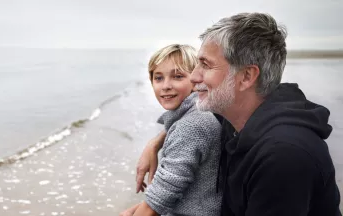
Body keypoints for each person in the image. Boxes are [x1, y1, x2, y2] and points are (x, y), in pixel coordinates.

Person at [136, 12, 342, 216]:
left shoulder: (283, 157)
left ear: (246, 76)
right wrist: (156, 142)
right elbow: (190, 125)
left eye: (206, 65)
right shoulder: (238, 120)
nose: (194, 76)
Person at [120, 44, 223, 216]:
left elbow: (161, 197)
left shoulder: (191, 126)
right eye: (158, 78)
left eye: (177, 76)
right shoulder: (201, 112)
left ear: (196, 80)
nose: (166, 86)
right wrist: (154, 143)